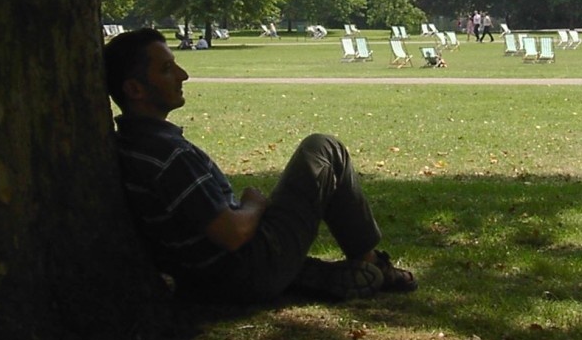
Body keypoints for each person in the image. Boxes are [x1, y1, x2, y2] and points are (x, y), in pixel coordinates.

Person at [103, 28, 416, 303]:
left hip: (202, 277)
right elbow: (233, 233)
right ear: (135, 89)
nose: (183, 75)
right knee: (323, 149)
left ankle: (309, 273)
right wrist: (253, 205)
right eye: (167, 69)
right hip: (243, 269)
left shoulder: (131, 146)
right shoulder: (166, 156)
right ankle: (372, 262)